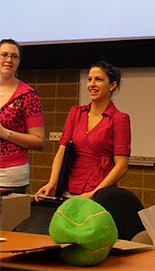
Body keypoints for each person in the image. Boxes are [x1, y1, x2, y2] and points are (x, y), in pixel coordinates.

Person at [35, 61, 131, 200]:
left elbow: (121, 166)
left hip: (99, 194)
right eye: (89, 79)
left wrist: (94, 193)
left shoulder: (119, 119)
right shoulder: (76, 113)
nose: (92, 84)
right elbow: (62, 151)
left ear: (112, 85)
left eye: (98, 79)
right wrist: (52, 182)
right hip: (69, 189)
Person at [0, 39, 45, 194]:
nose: (8, 60)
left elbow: (39, 141)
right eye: (4, 55)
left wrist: (4, 133)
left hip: (11, 174)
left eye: (14, 56)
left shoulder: (27, 95)